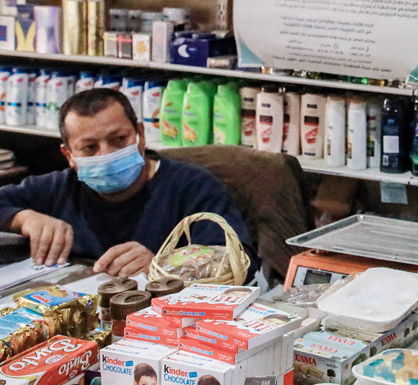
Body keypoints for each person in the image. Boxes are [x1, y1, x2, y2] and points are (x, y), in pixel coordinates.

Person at [0, 88, 258, 279]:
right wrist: (24, 218)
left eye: (119, 139)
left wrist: (163, 267)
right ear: (69, 156)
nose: (106, 154)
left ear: (140, 135)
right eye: (89, 148)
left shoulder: (191, 187)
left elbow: (237, 261)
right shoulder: (58, 188)